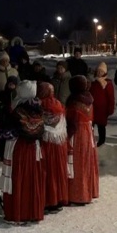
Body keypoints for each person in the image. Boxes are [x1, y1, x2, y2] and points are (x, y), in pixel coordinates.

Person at [2, 81, 46, 224]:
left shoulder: (17, 110)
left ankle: (18, 212)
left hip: (18, 148)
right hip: (33, 148)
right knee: (32, 179)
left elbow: (8, 129)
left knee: (18, 178)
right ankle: (32, 211)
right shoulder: (38, 108)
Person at [67, 75, 99, 205]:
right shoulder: (88, 98)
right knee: (87, 162)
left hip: (78, 134)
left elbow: (72, 120)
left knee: (78, 163)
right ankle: (89, 191)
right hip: (87, 132)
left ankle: (78, 194)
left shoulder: (74, 101)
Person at [37, 81, 69, 213]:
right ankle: (58, 199)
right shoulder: (59, 104)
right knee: (58, 171)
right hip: (59, 143)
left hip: (46, 144)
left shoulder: (40, 106)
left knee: (47, 172)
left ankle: (48, 200)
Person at [90, 62, 115, 147]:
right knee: (91, 126)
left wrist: (110, 108)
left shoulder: (107, 84)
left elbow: (111, 97)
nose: (99, 73)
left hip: (102, 109)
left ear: (104, 72)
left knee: (101, 126)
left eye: (101, 71)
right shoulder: (94, 83)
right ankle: (90, 141)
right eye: (98, 71)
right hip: (93, 108)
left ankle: (101, 142)